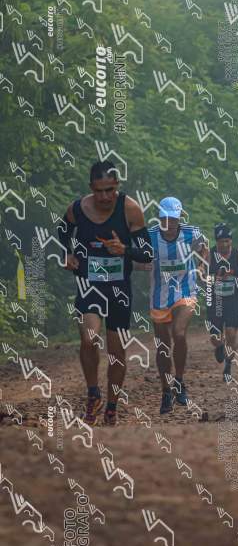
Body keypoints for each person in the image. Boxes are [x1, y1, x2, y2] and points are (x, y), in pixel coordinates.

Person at [57, 160, 153, 426]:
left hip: (118, 288)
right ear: (91, 188)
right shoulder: (78, 209)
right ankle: (93, 394)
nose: (104, 197)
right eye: (99, 191)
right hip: (89, 284)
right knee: (89, 339)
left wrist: (125, 250)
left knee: (116, 351)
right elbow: (63, 230)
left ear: (117, 186)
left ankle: (111, 406)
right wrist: (67, 253)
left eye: (110, 190)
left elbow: (147, 253)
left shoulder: (130, 209)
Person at [144, 197, 208, 414]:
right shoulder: (150, 236)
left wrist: (200, 266)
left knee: (179, 334)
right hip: (159, 296)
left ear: (180, 217)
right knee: (163, 345)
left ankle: (179, 381)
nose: (169, 223)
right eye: (165, 218)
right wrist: (140, 264)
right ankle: (165, 391)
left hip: (186, 290)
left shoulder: (191, 233)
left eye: (173, 218)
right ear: (159, 217)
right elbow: (137, 258)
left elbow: (204, 248)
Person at [206, 223, 238, 381]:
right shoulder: (209, 255)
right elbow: (200, 271)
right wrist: (208, 277)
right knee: (215, 338)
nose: (225, 245)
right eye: (221, 242)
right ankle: (219, 346)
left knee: (231, 334)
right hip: (214, 300)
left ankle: (228, 366)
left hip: (232, 299)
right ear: (216, 241)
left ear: (231, 240)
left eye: (227, 241)